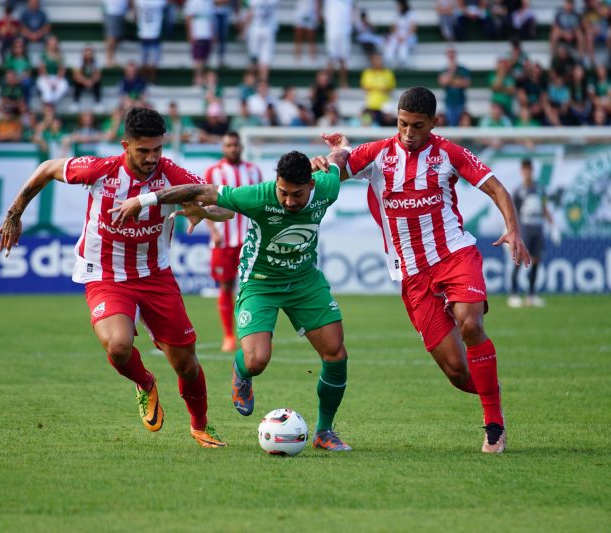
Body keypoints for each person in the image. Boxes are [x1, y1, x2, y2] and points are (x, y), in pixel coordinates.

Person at [0, 107, 230, 449]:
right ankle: (145, 383)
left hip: (155, 277)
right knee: (118, 347)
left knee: (187, 365)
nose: (151, 158)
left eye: (157, 150)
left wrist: (203, 210)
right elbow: (46, 169)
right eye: (143, 150)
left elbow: (224, 204)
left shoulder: (172, 174)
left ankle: (200, 425)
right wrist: (14, 213)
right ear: (126, 145)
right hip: (105, 275)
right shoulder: (101, 170)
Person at [318, 86, 531, 453]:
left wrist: (512, 228)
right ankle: (490, 391)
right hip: (412, 275)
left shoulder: (448, 153)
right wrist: (331, 158)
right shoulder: (379, 154)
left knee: (470, 323)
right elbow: (342, 163)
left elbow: (497, 188)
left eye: (417, 126)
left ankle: (493, 425)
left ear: (433, 122)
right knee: (457, 372)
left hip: (454, 255)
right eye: (402, 124)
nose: (408, 133)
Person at [108, 150, 354, 452]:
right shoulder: (256, 196)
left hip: (305, 282)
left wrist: (337, 149)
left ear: (312, 187)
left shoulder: (327, 187)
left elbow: (339, 162)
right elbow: (200, 190)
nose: (289, 202)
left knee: (336, 353)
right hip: (260, 284)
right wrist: (144, 200)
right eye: (283, 193)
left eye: (297, 195)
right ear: (275, 184)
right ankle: (242, 372)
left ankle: (324, 431)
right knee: (256, 360)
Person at [202, 131, 262, 352]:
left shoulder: (253, 171)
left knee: (252, 286)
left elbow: (259, 202)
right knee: (226, 286)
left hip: (249, 239)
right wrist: (213, 230)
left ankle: (252, 332)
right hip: (223, 239)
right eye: (229, 145)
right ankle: (228, 335)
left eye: (236, 145)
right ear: (223, 148)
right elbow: (203, 204)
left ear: (241, 146)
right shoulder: (213, 172)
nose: (233, 149)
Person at [508, 159, 554, 308]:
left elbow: (544, 208)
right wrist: (509, 229)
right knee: (519, 259)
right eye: (525, 169)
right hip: (525, 230)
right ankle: (514, 294)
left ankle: (531, 295)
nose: (527, 172)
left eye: (529, 169)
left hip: (538, 229)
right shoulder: (518, 191)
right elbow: (512, 211)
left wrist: (553, 226)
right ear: (522, 171)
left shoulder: (540, 189)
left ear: (532, 170)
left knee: (536, 260)